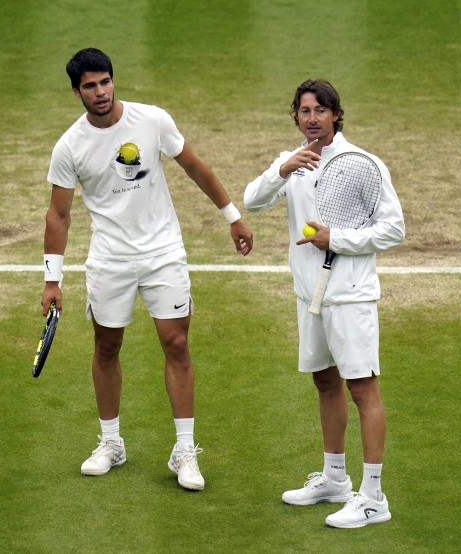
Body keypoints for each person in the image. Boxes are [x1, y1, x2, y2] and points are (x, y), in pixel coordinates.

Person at [41, 48, 253, 491]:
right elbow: (59, 215)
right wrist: (52, 278)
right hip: (109, 260)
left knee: (176, 344)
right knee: (106, 347)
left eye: (105, 82)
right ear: (77, 92)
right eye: (90, 86)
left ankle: (184, 451)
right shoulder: (70, 146)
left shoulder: (153, 120)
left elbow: (194, 166)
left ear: (113, 80)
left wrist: (232, 216)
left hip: (163, 253)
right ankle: (111, 442)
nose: (100, 92)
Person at [243, 79, 404, 527]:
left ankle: (373, 497)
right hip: (308, 294)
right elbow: (252, 202)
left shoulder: (362, 164)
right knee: (324, 382)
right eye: (304, 110)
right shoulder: (291, 162)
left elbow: (394, 228)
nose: (312, 118)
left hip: (349, 296)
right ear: (295, 115)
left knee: (362, 389)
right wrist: (282, 169)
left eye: (320, 110)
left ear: (335, 114)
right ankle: (335, 479)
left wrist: (339, 239)